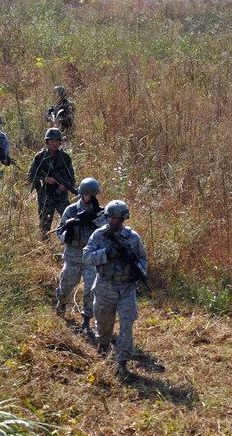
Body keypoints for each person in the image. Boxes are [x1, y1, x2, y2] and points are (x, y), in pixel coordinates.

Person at [82, 200, 148, 378]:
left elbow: (142, 258)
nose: (113, 221)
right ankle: (103, 346)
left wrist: (140, 271)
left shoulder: (133, 238)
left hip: (126, 288)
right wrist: (106, 253)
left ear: (123, 219)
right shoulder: (99, 235)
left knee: (127, 325)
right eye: (110, 217)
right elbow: (87, 257)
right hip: (105, 286)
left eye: (117, 218)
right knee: (104, 323)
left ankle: (123, 362)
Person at [55, 177, 106, 334]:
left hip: (90, 256)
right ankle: (61, 306)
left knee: (91, 289)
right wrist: (67, 232)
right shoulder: (71, 210)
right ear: (81, 194)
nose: (89, 198)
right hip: (72, 255)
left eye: (92, 195)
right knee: (66, 285)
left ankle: (86, 320)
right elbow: (59, 230)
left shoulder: (100, 211)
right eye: (86, 195)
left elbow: (106, 232)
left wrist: (94, 220)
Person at [27, 127, 76, 238]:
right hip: (45, 196)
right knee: (45, 227)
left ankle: (69, 243)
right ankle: (44, 250)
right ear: (47, 142)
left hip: (61, 197)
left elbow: (72, 178)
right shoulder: (40, 158)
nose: (54, 143)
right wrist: (45, 179)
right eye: (51, 141)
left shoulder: (65, 158)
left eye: (56, 141)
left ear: (60, 142)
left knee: (70, 221)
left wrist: (66, 185)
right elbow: (30, 176)